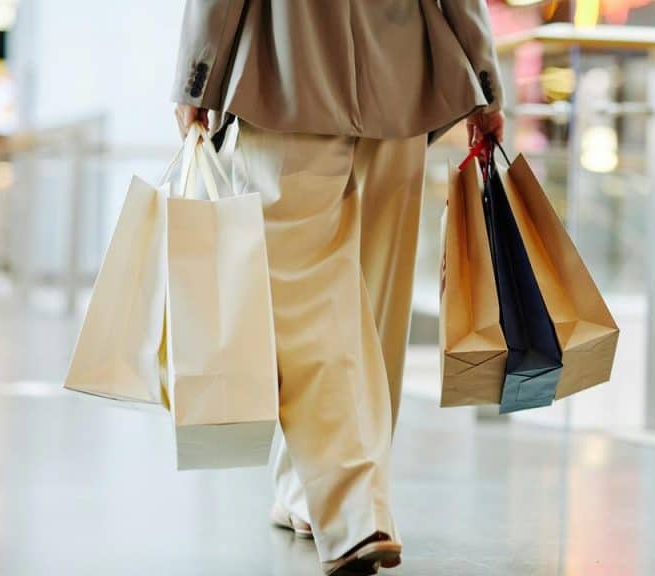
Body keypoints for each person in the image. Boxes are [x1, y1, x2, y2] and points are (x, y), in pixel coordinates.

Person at [171, 2, 505, 574]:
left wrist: (197, 74)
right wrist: (483, 78)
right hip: (401, 76)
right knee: (375, 305)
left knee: (302, 301)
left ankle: (352, 508)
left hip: (287, 71)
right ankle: (318, 492)